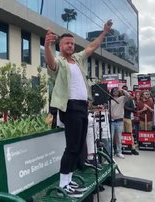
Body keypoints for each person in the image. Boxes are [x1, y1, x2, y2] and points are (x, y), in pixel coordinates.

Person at [44, 20, 112, 197]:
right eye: (67, 43)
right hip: (70, 107)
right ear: (60, 46)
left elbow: (91, 46)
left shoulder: (78, 59)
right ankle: (63, 185)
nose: (71, 45)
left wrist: (104, 33)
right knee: (72, 147)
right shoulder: (59, 61)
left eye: (73, 43)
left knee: (79, 146)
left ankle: (68, 180)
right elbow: (51, 63)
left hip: (82, 107)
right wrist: (47, 45)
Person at [110, 87, 130, 158]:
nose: (115, 92)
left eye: (116, 91)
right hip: (111, 121)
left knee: (119, 138)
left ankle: (119, 152)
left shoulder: (122, 98)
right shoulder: (110, 100)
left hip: (119, 121)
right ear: (111, 92)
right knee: (111, 138)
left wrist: (122, 90)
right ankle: (111, 153)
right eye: (114, 91)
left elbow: (128, 95)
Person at [123, 87, 139, 155]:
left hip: (127, 118)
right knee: (122, 134)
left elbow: (133, 109)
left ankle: (133, 148)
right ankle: (123, 147)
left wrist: (126, 108)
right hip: (120, 119)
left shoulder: (130, 100)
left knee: (130, 134)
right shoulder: (121, 99)